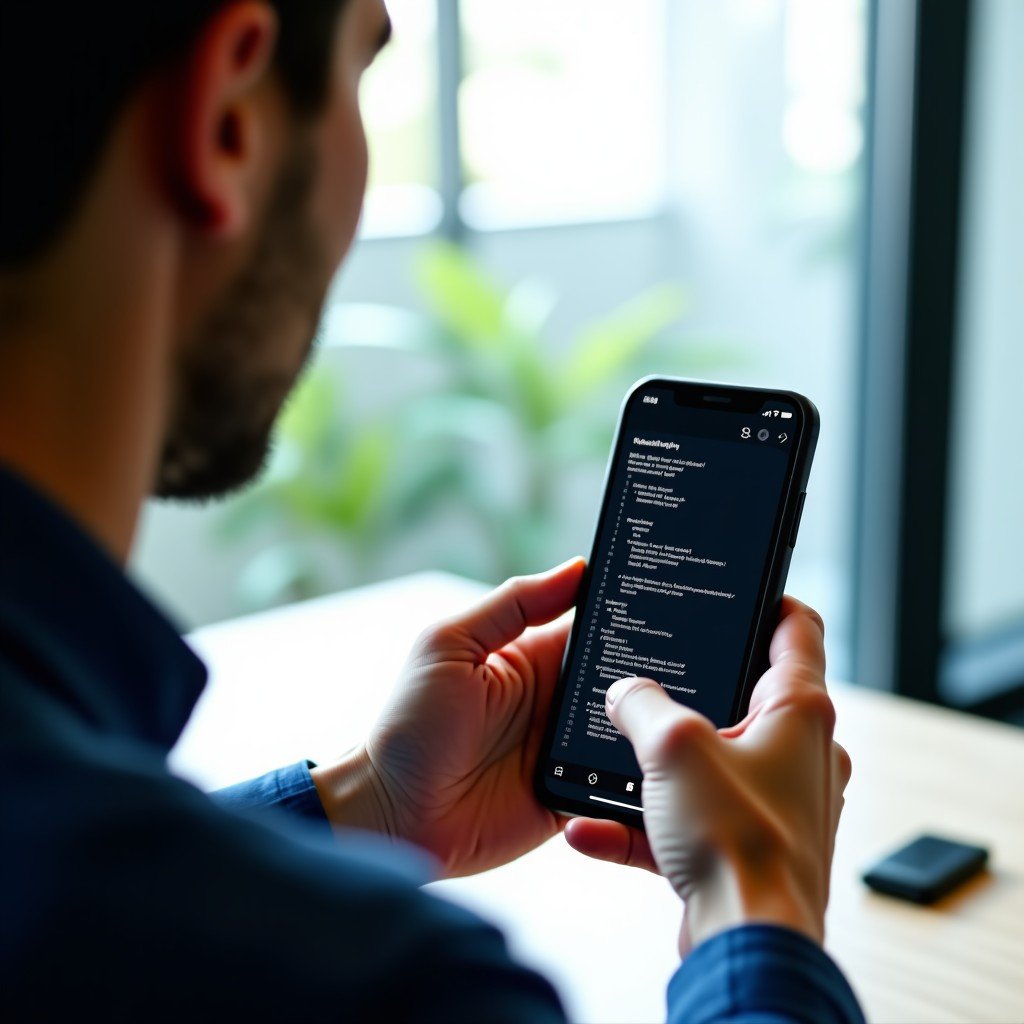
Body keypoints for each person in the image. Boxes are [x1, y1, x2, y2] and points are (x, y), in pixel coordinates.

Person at [0, 1, 864, 1020]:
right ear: (228, 118)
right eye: (362, 73)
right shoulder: (387, 988)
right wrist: (756, 900)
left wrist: (373, 802)